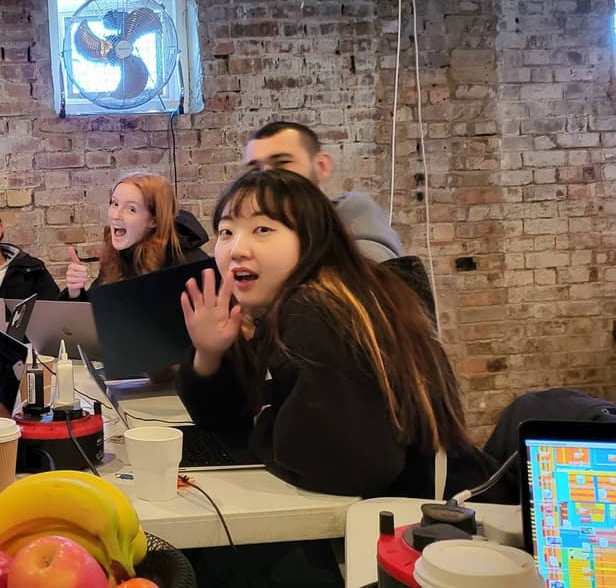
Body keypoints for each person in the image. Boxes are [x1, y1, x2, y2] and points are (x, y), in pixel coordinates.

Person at [176, 168, 514, 503]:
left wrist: (262, 423)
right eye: (226, 232)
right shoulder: (277, 310)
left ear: (312, 240)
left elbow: (348, 468)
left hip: (454, 516)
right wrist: (210, 353)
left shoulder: (318, 310)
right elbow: (219, 419)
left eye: (262, 229)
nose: (237, 249)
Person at [244, 121, 403, 262]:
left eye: (282, 163)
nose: (265, 177)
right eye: (256, 169)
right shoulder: (248, 228)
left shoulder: (351, 213)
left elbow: (371, 275)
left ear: (321, 166)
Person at [62, 171, 208, 301]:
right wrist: (75, 292)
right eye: (115, 203)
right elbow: (99, 315)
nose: (116, 215)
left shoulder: (187, 264)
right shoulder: (118, 256)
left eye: (131, 209)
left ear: (154, 220)